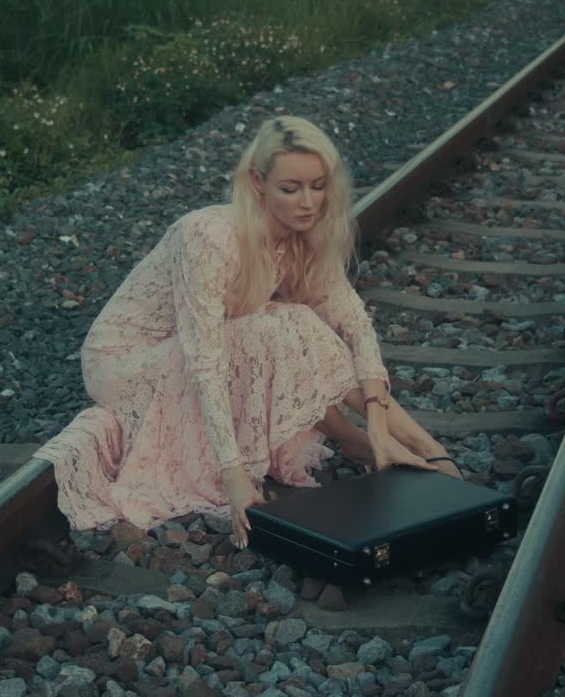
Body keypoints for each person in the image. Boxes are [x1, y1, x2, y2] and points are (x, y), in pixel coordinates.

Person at [33, 116, 462, 550]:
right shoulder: (209, 235)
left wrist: (385, 427)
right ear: (258, 182)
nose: (308, 203)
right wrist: (234, 477)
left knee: (289, 323)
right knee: (284, 322)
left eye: (318, 186)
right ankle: (357, 442)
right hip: (126, 362)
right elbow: (206, 358)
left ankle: (399, 443)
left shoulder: (301, 240)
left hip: (194, 350)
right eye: (290, 189)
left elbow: (355, 325)